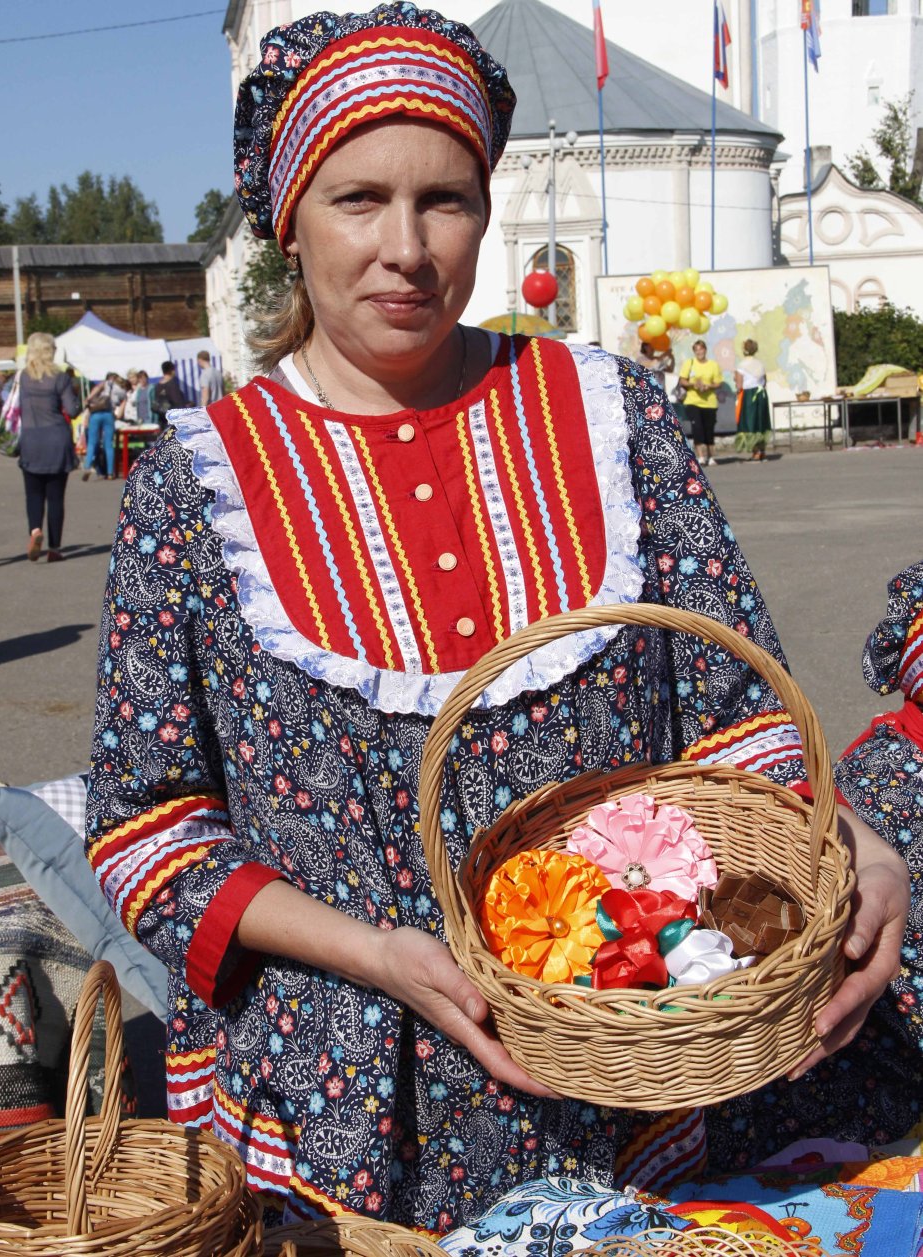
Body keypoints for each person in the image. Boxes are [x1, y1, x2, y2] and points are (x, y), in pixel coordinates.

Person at [85, 5, 916, 1237]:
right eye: (358, 198)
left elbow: (738, 729)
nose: (406, 249)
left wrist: (849, 845)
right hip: (358, 1098)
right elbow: (149, 831)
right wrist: (383, 955)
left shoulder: (613, 416)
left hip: (651, 1053)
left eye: (448, 200)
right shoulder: (194, 489)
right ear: (286, 219)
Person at [17, 331, 80, 561]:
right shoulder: (60, 378)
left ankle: (35, 531)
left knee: (33, 494)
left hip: (31, 441)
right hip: (57, 441)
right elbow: (72, 410)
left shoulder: (23, 377)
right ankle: (54, 548)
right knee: (55, 497)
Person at [678, 338, 723, 466]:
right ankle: (701, 456)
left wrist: (709, 386)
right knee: (697, 428)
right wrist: (694, 384)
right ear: (694, 351)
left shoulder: (713, 365)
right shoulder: (690, 363)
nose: (699, 352)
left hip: (709, 402)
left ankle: (711, 456)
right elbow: (682, 380)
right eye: (696, 349)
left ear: (705, 350)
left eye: (701, 349)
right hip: (693, 401)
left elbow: (718, 382)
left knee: (709, 429)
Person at [82, 371, 124, 479]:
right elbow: (123, 398)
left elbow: (90, 398)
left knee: (92, 442)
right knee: (108, 444)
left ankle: (87, 466)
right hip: (108, 414)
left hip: (95, 414)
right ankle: (110, 472)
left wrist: (88, 399)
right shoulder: (118, 388)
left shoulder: (101, 385)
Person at [734, 338, 771, 461]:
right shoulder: (760, 364)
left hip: (749, 395)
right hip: (761, 394)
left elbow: (739, 385)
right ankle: (763, 450)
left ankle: (755, 452)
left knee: (750, 422)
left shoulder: (741, 365)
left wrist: (737, 393)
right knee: (761, 421)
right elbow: (765, 381)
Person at [152, 360, 189, 424]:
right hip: (172, 419)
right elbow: (178, 403)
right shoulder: (172, 385)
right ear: (171, 370)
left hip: (162, 418)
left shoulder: (158, 385)